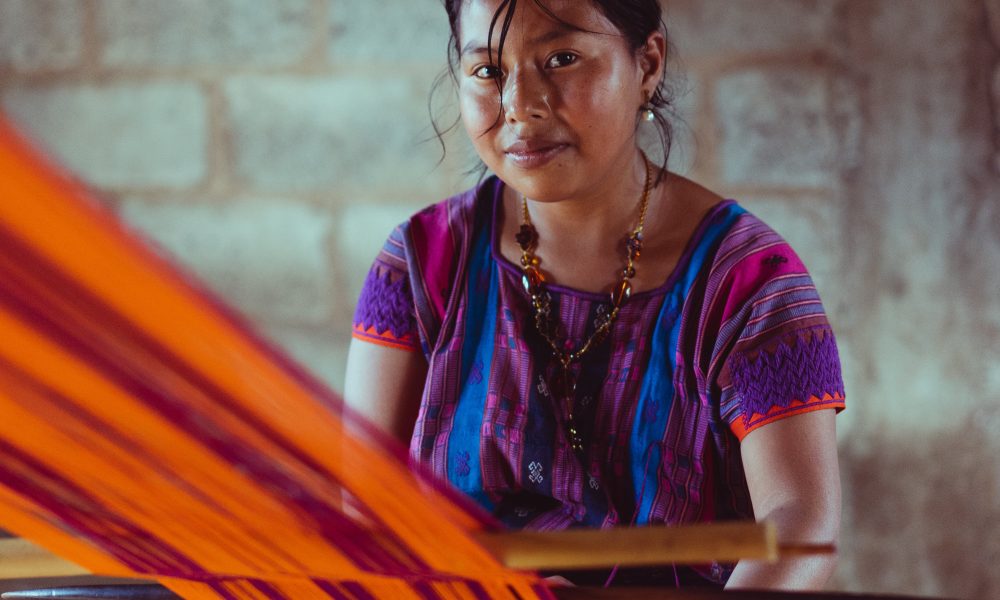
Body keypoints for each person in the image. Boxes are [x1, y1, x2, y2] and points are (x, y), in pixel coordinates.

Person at [344, 0, 844, 590]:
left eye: (562, 58)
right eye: (488, 71)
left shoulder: (748, 285)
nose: (520, 105)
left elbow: (800, 529)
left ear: (647, 64)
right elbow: (366, 512)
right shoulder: (423, 264)